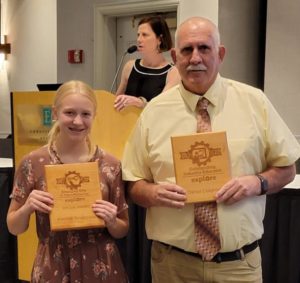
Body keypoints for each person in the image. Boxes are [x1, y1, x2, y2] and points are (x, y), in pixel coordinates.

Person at [121, 16, 300, 283]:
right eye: (186, 50)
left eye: (204, 48)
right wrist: (153, 192)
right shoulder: (154, 112)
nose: (195, 58)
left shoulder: (255, 103)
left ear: (220, 53)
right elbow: (132, 182)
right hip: (173, 265)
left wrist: (257, 182)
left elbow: (287, 169)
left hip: (238, 266)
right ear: (174, 55)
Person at [7, 80, 129, 283]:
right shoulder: (33, 163)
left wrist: (111, 220)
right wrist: (28, 207)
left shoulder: (110, 165)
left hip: (102, 267)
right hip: (53, 267)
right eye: (70, 113)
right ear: (55, 113)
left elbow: (122, 229)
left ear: (94, 116)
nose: (78, 122)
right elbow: (14, 227)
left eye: (86, 114)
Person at [114, 15, 180, 111]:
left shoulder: (173, 72)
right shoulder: (129, 66)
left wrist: (141, 103)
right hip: (126, 124)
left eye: (144, 35)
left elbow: (162, 108)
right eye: (138, 35)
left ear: (160, 39)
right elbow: (116, 100)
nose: (139, 39)